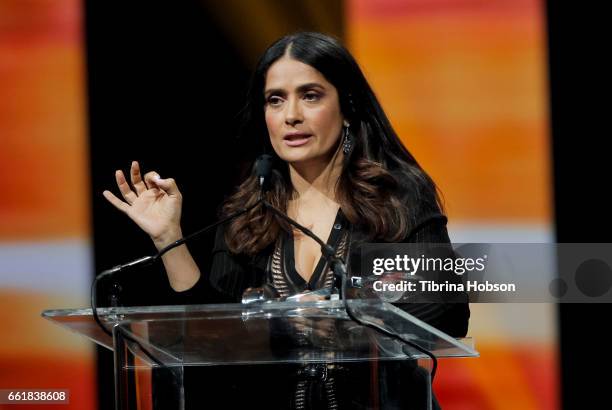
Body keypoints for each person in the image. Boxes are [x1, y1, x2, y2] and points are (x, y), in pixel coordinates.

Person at [104, 32, 469, 409]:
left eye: (310, 96)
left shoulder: (396, 198)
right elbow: (212, 339)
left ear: (346, 107)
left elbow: (444, 312)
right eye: (275, 100)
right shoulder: (247, 212)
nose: (291, 115)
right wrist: (168, 238)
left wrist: (343, 320)